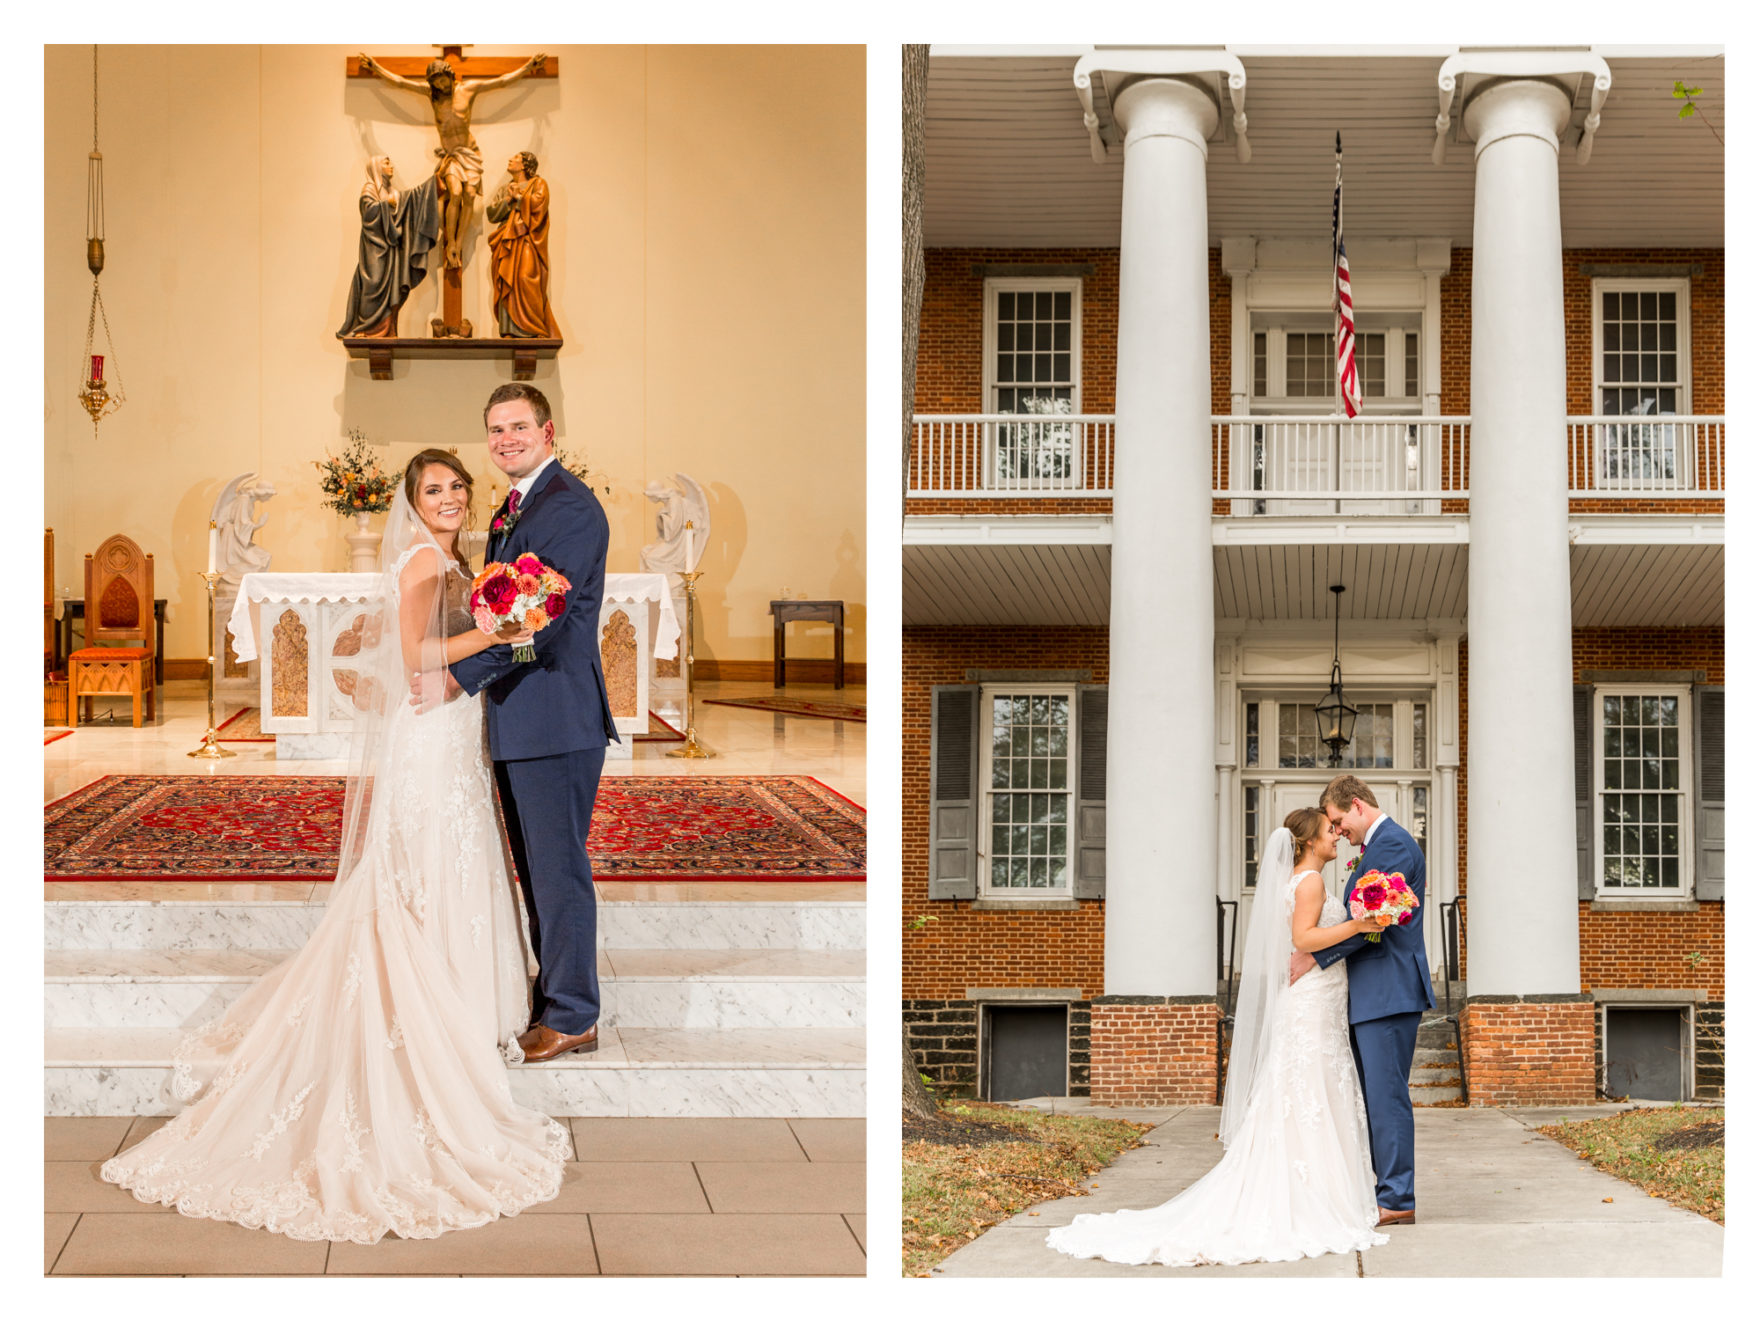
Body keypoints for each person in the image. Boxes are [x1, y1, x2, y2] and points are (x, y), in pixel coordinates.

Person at [100, 451, 566, 1243]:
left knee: (457, 859)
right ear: (413, 505)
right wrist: (498, 629)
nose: (449, 499)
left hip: (454, 735)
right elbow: (417, 654)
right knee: (425, 866)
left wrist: (498, 622)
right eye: (434, 491)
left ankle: (460, 1000)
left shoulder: (462, 558)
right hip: (429, 741)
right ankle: (440, 1011)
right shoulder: (424, 559)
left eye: (457, 487)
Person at [1046, 808, 1391, 1268]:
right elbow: (1304, 938)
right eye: (1331, 831)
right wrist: (1360, 925)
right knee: (1310, 1088)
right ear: (1309, 841)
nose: (1337, 836)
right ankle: (1313, 1200)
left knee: (1310, 1091)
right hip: (1310, 1004)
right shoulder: (1309, 883)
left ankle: (1315, 1191)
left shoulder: (1301, 880)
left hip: (1318, 999)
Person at [442, 383, 619, 1063]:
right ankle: (556, 996)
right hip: (524, 719)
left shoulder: (569, 508)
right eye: (496, 430)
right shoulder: (515, 509)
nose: (506, 439)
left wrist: (461, 677)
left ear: (549, 433)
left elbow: (542, 625)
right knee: (538, 869)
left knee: (557, 872)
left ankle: (574, 1014)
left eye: (519, 427)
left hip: (556, 715)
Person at [1290, 774, 1435, 1227]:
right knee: (1373, 1097)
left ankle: (1396, 1198)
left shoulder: (1390, 844)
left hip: (1388, 992)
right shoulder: (1377, 848)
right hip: (1371, 993)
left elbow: (1374, 922)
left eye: (1337, 821)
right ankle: (1382, 1190)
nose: (1338, 832)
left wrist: (1317, 955)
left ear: (1355, 805)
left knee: (1386, 1098)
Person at [357, 53, 547, 270]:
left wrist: (528, 67)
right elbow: (401, 82)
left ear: (450, 75)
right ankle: (450, 246)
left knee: (470, 195)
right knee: (455, 192)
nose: (441, 86)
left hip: (470, 154)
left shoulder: (468, 89)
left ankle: (458, 241)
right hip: (452, 156)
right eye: (436, 83)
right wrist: (376, 67)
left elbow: (502, 81)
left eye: (443, 80)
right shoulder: (432, 96)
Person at [335, 155, 440, 338]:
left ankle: (388, 328)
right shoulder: (370, 188)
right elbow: (367, 212)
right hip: (374, 250)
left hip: (391, 252)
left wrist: (433, 183)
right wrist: (386, 204)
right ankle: (369, 328)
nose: (391, 166)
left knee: (393, 286)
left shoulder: (393, 192)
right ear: (376, 167)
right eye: (386, 163)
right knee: (373, 282)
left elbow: (410, 202)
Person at [486, 151, 560, 338]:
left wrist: (519, 198)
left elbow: (539, 205)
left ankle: (532, 328)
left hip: (526, 240)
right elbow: (492, 213)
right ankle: (509, 329)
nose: (510, 160)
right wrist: (509, 199)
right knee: (506, 280)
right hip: (507, 241)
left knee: (526, 278)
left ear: (525, 165)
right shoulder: (506, 188)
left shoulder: (538, 184)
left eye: (516, 158)